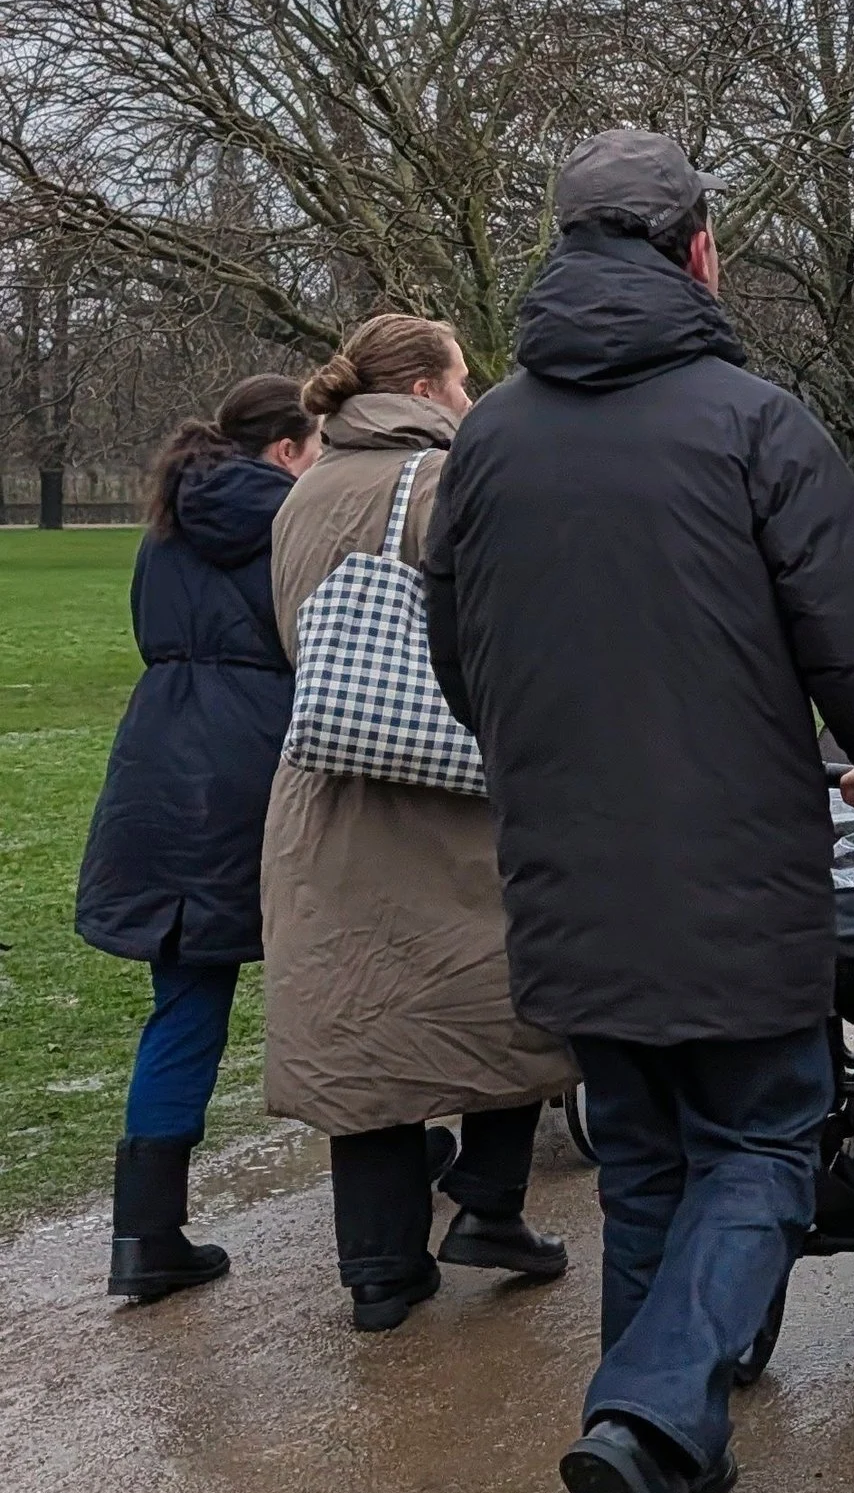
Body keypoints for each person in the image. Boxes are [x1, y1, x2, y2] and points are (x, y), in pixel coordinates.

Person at [423, 130, 854, 1493]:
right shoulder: (754, 424)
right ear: (698, 250)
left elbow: (469, 662)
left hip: (569, 871)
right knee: (767, 1147)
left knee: (649, 1164)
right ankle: (648, 1414)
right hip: (735, 871)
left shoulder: (491, 442)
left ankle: (669, 1455)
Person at [262, 313, 572, 1333]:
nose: (474, 393)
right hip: (446, 787)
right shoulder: (447, 482)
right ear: (429, 388)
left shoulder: (303, 490)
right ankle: (487, 1202)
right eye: (464, 376)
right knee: (503, 993)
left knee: (364, 1026)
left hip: (332, 792)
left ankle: (380, 1269)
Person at [77, 375, 318, 1301]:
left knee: (184, 999)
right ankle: (397, 1164)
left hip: (158, 754)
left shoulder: (164, 524)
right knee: (335, 962)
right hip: (255, 754)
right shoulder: (294, 522)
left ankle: (145, 1233)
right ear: (289, 449)